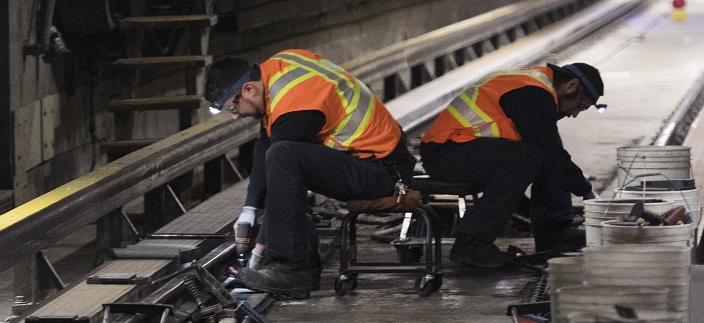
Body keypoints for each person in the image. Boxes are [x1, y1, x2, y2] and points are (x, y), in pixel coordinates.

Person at [204, 49, 416, 298]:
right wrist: (249, 209)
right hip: (371, 161)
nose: (235, 116)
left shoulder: (297, 103)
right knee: (280, 155)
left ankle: (293, 269)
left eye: (233, 107)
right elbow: (266, 143)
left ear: (248, 89)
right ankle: (302, 261)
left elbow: (278, 174)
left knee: (285, 158)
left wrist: (258, 252)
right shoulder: (278, 71)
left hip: (383, 173)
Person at [419, 61, 605, 268]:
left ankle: (555, 235)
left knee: (544, 152)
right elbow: (551, 154)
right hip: (445, 153)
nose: (575, 114)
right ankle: (472, 242)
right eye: (581, 105)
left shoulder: (536, 88)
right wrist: (588, 192)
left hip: (461, 151)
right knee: (532, 155)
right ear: (571, 86)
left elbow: (552, 154)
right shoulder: (532, 93)